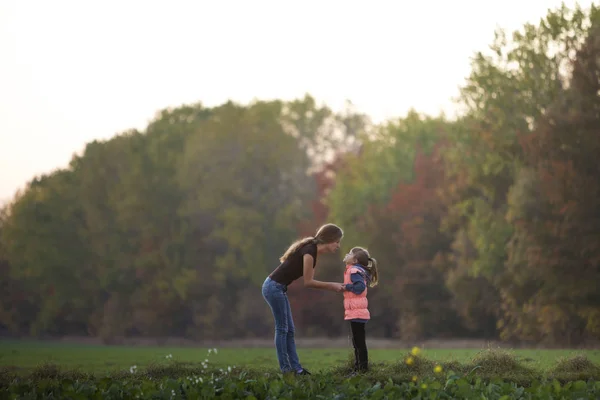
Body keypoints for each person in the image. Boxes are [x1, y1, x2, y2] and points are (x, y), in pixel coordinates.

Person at [262, 223, 345, 375]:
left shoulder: (312, 252)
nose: (338, 246)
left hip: (278, 288)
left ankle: (297, 369)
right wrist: (332, 286)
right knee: (282, 329)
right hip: (273, 288)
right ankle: (286, 370)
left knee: (290, 330)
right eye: (337, 241)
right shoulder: (309, 252)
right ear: (329, 239)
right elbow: (308, 282)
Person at [342, 246, 379, 373]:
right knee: (357, 341)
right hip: (356, 311)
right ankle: (358, 367)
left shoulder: (354, 271)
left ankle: (362, 369)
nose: (346, 254)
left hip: (357, 311)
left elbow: (359, 288)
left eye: (349, 254)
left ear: (355, 260)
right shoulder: (354, 270)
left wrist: (345, 287)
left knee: (359, 342)